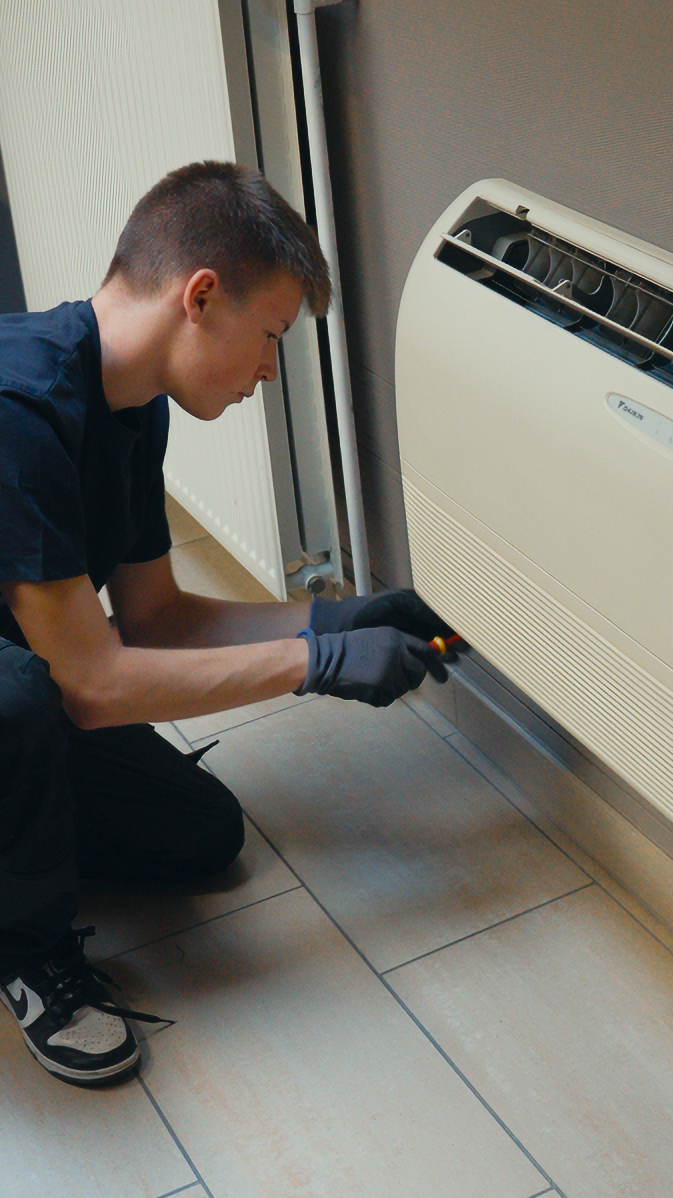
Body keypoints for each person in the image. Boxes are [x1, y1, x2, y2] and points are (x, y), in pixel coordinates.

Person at [0, 161, 455, 1088]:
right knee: (20, 700)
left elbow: (156, 619)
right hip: (24, 690)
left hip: (33, 675)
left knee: (198, 834)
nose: (265, 370)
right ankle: (29, 950)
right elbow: (90, 687)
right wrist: (314, 662)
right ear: (201, 295)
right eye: (271, 336)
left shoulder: (127, 410)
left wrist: (340, 612)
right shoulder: (19, 410)